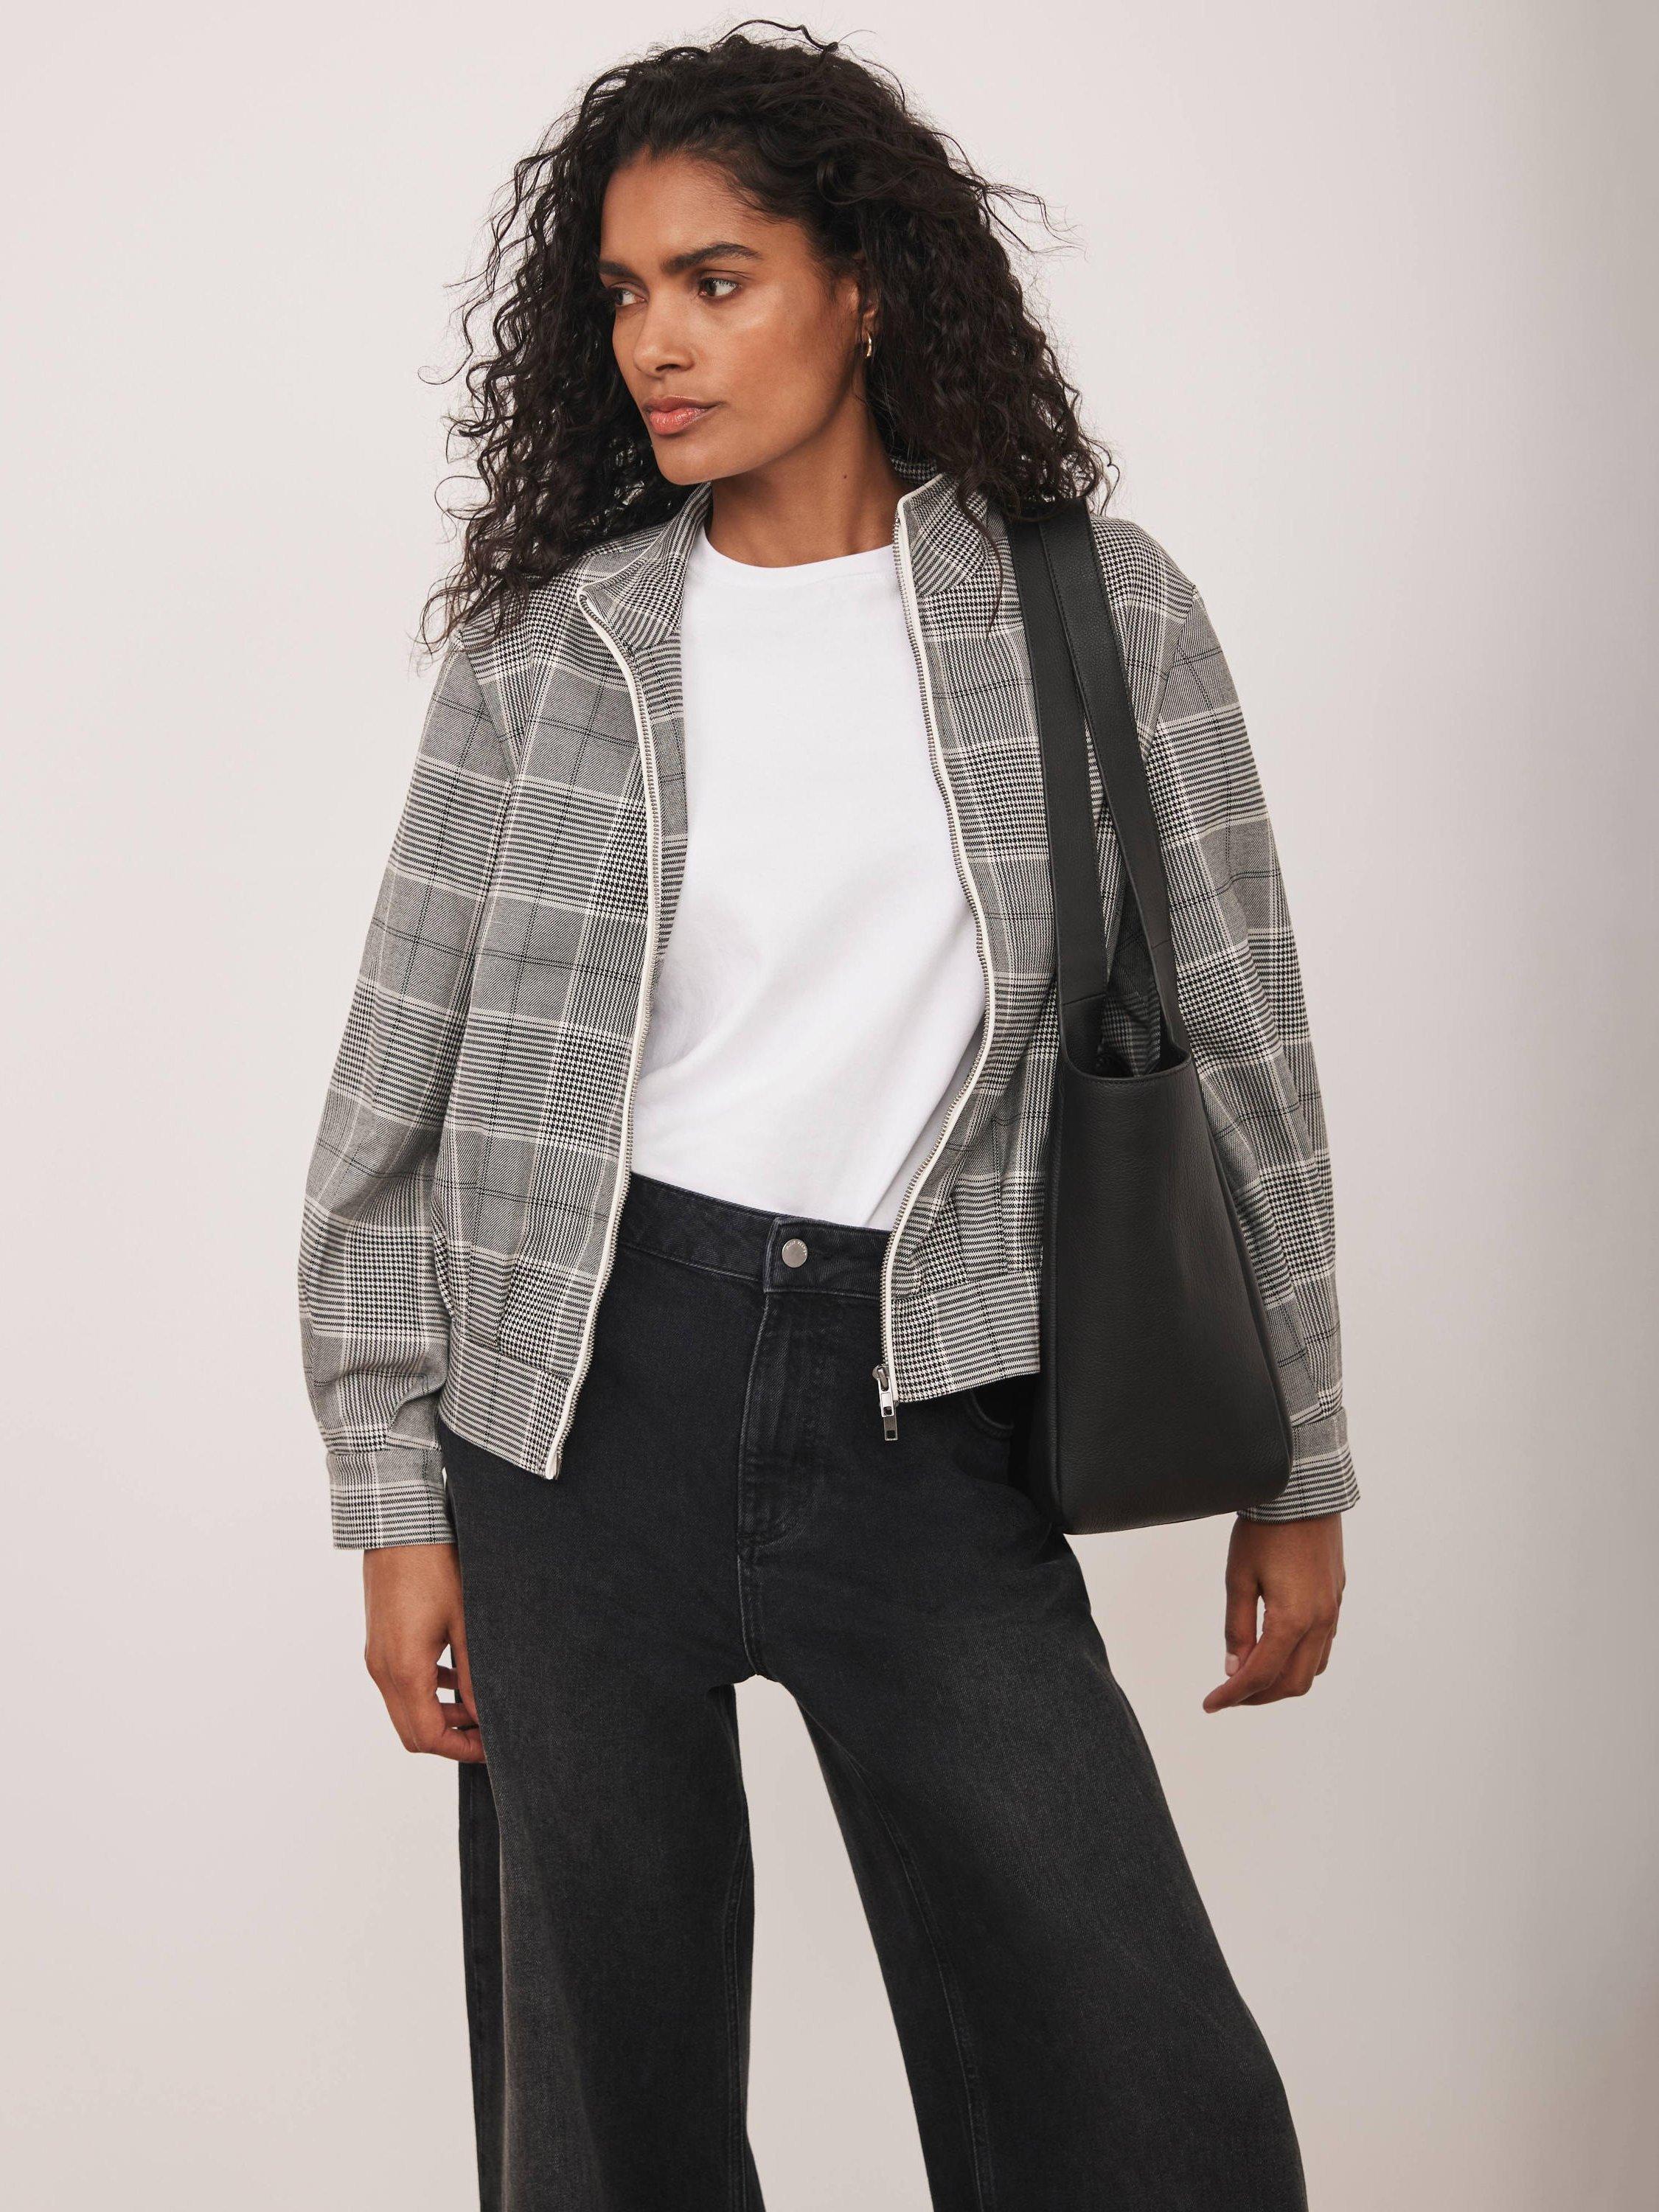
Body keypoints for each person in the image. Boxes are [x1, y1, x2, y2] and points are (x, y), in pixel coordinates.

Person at [296, 25, 1355, 2211]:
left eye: (718, 280)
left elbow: (1245, 1036)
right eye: (623, 295)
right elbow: (393, 1082)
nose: (656, 345)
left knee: (1147, 2109)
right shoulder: (554, 648)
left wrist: (1301, 1460)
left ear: (863, 287)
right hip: (573, 1413)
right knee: (610, 2126)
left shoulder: (1097, 608)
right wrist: (393, 1495)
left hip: (928, 1402)